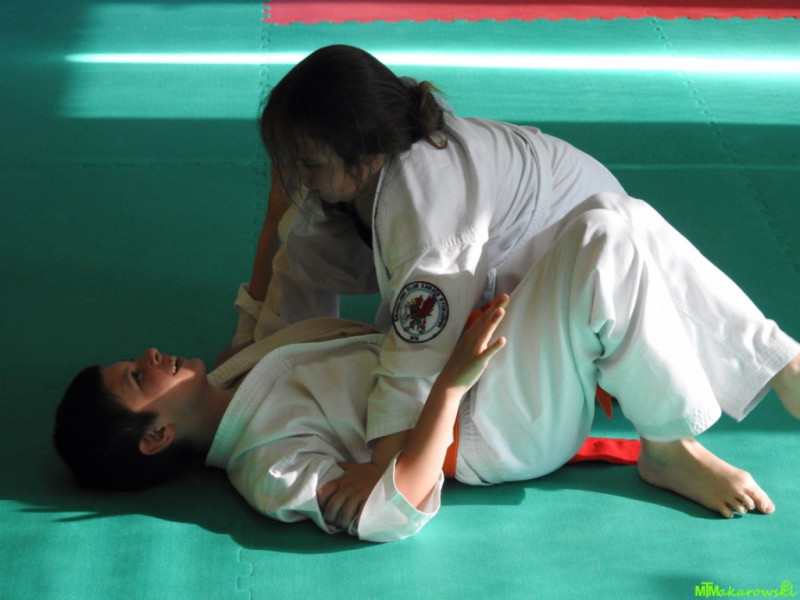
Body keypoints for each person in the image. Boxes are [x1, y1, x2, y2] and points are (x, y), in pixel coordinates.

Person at [54, 192, 800, 542]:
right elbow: (392, 508)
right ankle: (672, 439)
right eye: (137, 378)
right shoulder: (264, 464)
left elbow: (266, 279)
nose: (148, 357)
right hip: (487, 430)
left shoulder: (237, 370)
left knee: (614, 213)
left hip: (478, 371)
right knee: (603, 242)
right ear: (155, 435)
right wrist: (453, 380)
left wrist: (286, 187)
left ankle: (773, 368)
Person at [246, 43, 632, 510]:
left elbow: (420, 351)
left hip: (584, 280)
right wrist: (257, 362)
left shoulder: (427, 209)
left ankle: (664, 430)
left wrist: (384, 465)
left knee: (407, 356)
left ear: (363, 153)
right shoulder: (374, 139)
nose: (298, 176)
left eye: (309, 164)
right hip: (515, 253)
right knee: (319, 245)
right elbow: (302, 261)